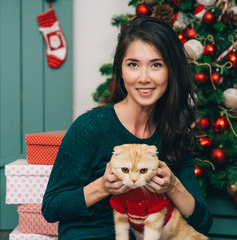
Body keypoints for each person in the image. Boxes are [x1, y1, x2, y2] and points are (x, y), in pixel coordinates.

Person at [42, 16, 213, 240]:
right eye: (133, 64)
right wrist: (103, 187)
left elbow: (203, 222)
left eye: (156, 65)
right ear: (121, 71)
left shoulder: (172, 132)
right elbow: (52, 207)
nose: (144, 78)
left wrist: (172, 185)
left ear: (171, 72)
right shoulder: (90, 128)